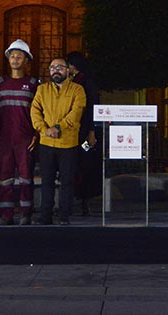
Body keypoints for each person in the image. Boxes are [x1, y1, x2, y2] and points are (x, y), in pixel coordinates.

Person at [30, 57, 86, 225]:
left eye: (60, 67)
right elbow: (35, 110)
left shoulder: (78, 90)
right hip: (46, 142)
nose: (56, 70)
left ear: (67, 70)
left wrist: (58, 128)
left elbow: (76, 113)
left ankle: (64, 215)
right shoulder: (42, 90)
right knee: (47, 180)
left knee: (67, 181)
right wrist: (43, 129)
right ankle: (45, 215)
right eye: (52, 67)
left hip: (68, 143)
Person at [0, 39, 38, 225]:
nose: (15, 59)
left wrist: (36, 135)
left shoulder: (33, 84)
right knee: (5, 178)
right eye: (12, 56)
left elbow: (39, 113)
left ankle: (26, 214)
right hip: (4, 139)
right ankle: (6, 215)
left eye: (20, 56)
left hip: (25, 138)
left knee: (26, 178)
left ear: (27, 60)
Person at [66, 51, 100, 216]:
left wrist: (92, 131)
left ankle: (85, 200)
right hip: (73, 131)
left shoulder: (86, 82)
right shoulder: (71, 81)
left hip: (86, 132)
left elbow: (93, 106)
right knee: (73, 164)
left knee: (85, 162)